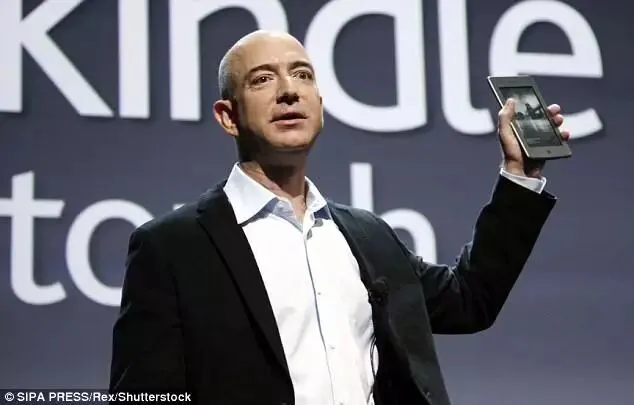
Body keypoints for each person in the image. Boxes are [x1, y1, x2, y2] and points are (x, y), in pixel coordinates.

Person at [108, 30, 570, 405]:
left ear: (319, 103)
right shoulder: (172, 247)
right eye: (263, 79)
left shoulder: (367, 235)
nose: (289, 90)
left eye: (302, 75)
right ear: (228, 116)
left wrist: (519, 176)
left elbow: (469, 300)